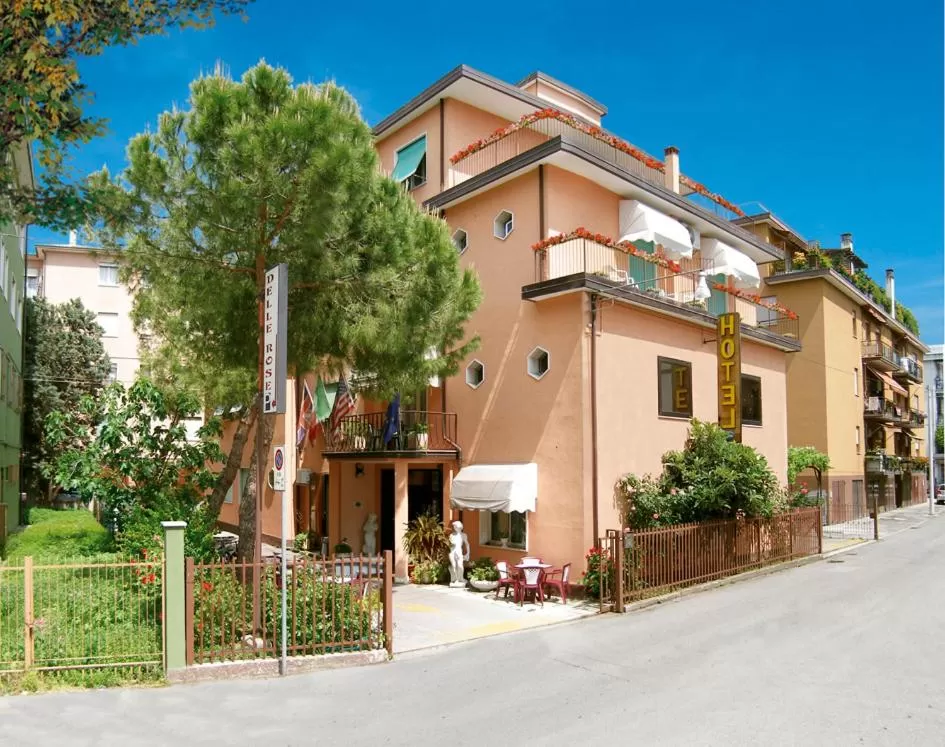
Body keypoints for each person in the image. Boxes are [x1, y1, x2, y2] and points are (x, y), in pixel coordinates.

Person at [448, 520, 470, 587]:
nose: (454, 528)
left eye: (456, 526)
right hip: (452, 552)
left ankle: (461, 578)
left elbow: (467, 544)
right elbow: (449, 544)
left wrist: (468, 553)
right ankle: (456, 580)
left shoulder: (463, 535)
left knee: (460, 566)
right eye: (454, 527)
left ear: (460, 527)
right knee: (454, 566)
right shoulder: (451, 535)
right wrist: (451, 544)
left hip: (459, 551)